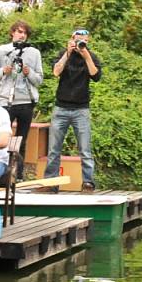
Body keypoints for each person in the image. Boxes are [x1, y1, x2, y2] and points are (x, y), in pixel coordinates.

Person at [41, 29, 102, 193]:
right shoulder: (64, 53)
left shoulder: (91, 56)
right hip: (61, 107)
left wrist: (86, 54)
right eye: (78, 40)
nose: (81, 44)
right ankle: (50, 183)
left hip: (81, 109)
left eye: (85, 41)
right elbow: (56, 72)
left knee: (85, 149)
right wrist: (68, 53)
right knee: (54, 149)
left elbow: (95, 76)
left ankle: (88, 183)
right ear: (71, 39)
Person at [0, 21, 44, 180]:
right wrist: (2, 71)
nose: (22, 35)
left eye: (25, 33)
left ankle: (18, 175)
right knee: (2, 138)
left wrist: (29, 73)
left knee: (22, 140)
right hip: (6, 101)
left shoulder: (34, 52)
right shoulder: (2, 50)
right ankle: (1, 174)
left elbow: (39, 79)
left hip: (26, 100)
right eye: (19, 32)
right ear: (12, 32)